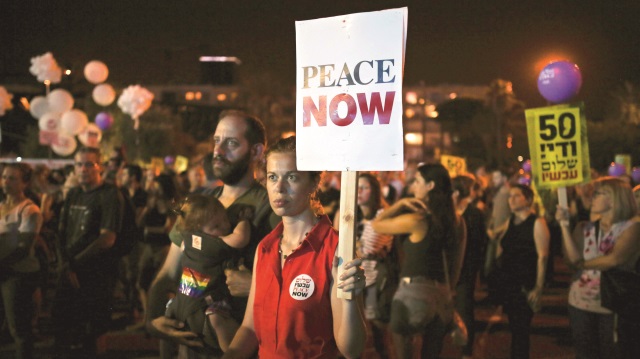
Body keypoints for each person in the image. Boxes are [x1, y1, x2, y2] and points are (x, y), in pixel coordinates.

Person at [145, 110, 279, 355]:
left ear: (257, 151)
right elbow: (167, 274)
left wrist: (258, 286)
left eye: (231, 143)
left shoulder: (271, 206)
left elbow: (297, 279)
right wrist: (154, 322)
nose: (218, 151)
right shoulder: (199, 203)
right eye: (216, 141)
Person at [222, 136, 366, 358]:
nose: (279, 188)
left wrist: (350, 299)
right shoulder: (265, 247)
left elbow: (351, 350)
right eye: (272, 177)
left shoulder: (335, 248)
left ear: (313, 183)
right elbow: (250, 328)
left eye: (291, 177)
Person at [371, 163, 467, 359]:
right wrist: (449, 294)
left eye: (417, 181)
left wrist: (400, 204)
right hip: (442, 296)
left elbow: (377, 224)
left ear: (430, 186)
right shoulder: (458, 222)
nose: (413, 185)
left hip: (412, 294)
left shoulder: (418, 220)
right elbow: (456, 264)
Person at [556, 177, 640, 359]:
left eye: (598, 194)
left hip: (613, 306)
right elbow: (571, 262)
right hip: (580, 303)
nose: (591, 197)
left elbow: (614, 260)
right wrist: (564, 227)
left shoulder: (632, 228)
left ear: (614, 198)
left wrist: (582, 264)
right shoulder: (582, 227)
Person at [53, 147, 124, 357]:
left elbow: (107, 238)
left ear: (99, 167)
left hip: (96, 273)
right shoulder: (74, 193)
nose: (83, 169)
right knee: (62, 324)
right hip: (69, 270)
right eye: (78, 164)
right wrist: (64, 264)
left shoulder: (109, 195)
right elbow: (61, 232)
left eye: (88, 164)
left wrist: (74, 264)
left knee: (93, 331)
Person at [164, 194, 250, 355]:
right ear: (198, 228)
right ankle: (231, 353)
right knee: (221, 325)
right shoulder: (213, 243)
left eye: (225, 219)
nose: (225, 226)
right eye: (216, 226)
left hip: (181, 302)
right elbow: (240, 239)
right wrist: (243, 220)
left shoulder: (186, 240)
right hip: (207, 306)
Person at [334, 172, 395, 358]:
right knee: (352, 332)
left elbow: (369, 248)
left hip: (375, 281)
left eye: (364, 188)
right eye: (357, 187)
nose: (359, 191)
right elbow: (337, 243)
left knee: (378, 335)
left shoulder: (382, 215)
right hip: (354, 279)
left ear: (375, 191)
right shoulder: (351, 214)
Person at [487, 184, 550, 359]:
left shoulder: (537, 223)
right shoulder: (510, 221)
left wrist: (538, 287)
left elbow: (542, 257)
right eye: (510, 196)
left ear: (528, 200)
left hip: (524, 284)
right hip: (509, 282)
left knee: (521, 331)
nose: (511, 199)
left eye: (516, 196)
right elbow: (495, 236)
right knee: (515, 328)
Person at [0, 163, 43, 359]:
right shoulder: (1, 206)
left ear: (24, 183)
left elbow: (24, 248)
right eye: (4, 177)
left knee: (18, 329)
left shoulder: (29, 210)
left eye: (12, 178)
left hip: (17, 274)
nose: (5, 182)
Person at [452, 174, 488, 359]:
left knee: (465, 309)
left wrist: (479, 270)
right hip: (448, 270)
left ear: (457, 192)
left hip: (466, 269)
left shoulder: (474, 214)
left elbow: (480, 243)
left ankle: (466, 351)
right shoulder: (447, 212)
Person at [136, 173, 178, 328]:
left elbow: (169, 228)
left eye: (156, 185)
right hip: (148, 247)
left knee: (158, 285)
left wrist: (151, 230)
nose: (153, 187)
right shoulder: (151, 202)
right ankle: (147, 318)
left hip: (163, 248)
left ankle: (161, 318)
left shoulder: (171, 204)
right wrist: (148, 208)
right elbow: (139, 222)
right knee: (142, 283)